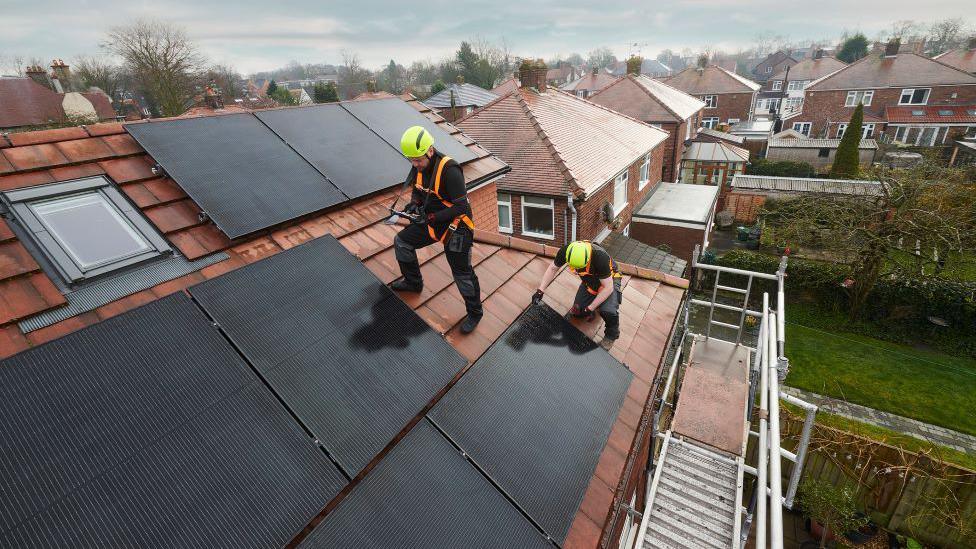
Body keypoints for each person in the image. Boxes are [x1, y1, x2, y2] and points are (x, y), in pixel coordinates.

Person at [390, 125, 483, 334]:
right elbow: (418, 189)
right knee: (401, 242)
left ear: (430, 150)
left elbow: (462, 207)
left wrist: (431, 216)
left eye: (418, 160)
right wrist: (414, 203)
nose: (415, 164)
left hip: (456, 227)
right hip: (431, 224)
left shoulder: (450, 170)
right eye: (411, 160)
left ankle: (475, 312)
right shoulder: (418, 165)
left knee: (461, 272)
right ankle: (414, 283)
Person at [532, 240, 622, 342]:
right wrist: (540, 290)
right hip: (590, 281)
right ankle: (596, 303)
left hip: (609, 280)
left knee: (607, 311)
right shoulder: (566, 251)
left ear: (588, 259)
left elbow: (608, 288)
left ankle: (612, 334)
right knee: (577, 311)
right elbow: (553, 268)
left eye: (578, 268)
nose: (575, 271)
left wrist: (590, 308)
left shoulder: (599, 257)